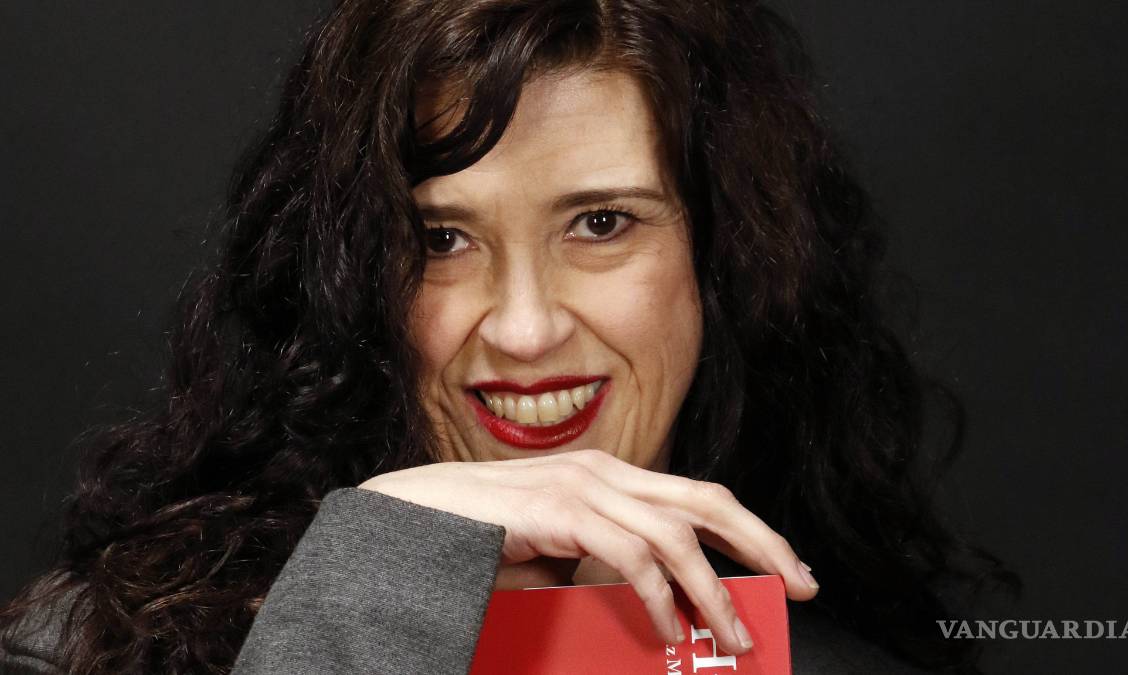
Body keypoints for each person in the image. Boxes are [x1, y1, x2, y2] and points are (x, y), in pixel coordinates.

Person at [1, 1, 1017, 673]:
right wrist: (380, 573)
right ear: (353, 277)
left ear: (723, 260)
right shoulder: (85, 648)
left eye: (602, 224)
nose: (526, 330)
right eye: (441, 239)